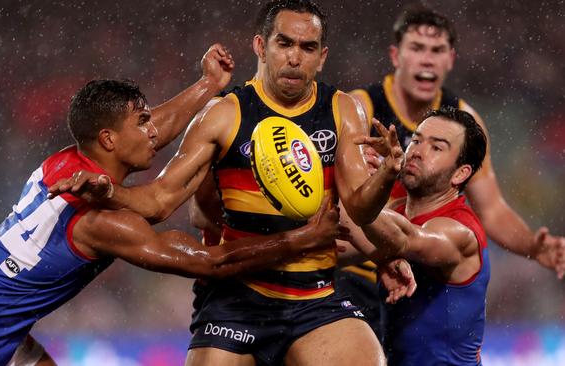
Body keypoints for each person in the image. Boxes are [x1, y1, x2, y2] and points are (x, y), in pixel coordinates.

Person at [0, 48, 348, 366]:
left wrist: (206, 87)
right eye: (142, 123)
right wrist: (302, 239)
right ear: (109, 141)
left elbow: (153, 127)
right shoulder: (104, 224)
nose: (154, 132)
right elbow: (212, 263)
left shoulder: (62, 162)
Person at [49, 1, 412, 365]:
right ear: (260, 46)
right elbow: (160, 200)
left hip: (315, 297)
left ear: (322, 56)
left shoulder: (343, 109)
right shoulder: (224, 115)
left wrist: (386, 174)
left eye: (307, 48)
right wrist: (110, 191)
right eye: (284, 44)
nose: (295, 58)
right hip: (238, 297)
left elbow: (360, 208)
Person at [338, 4, 565, 340]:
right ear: (396, 56)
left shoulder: (466, 121)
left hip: (423, 270)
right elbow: (344, 201)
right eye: (416, 49)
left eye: (437, 50)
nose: (427, 59)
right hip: (360, 270)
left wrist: (533, 246)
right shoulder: (361, 109)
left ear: (450, 60)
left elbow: (492, 209)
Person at [354, 106, 490, 365]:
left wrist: (365, 180)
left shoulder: (460, 231)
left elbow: (403, 239)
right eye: (415, 140)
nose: (416, 151)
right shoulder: (395, 211)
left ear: (461, 173)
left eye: (436, 148)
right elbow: (338, 240)